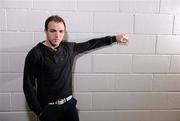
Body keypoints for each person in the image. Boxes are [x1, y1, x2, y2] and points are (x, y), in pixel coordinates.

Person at [23, 15, 128, 121]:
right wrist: (39, 112)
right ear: (45, 31)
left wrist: (114, 38)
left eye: (61, 31)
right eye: (53, 31)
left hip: (69, 106)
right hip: (49, 109)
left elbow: (90, 44)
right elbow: (28, 86)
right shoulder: (35, 54)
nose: (57, 35)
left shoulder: (69, 48)